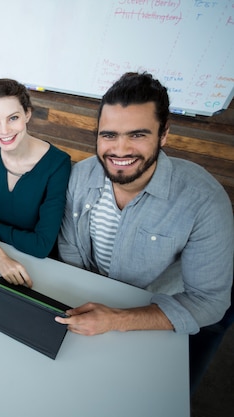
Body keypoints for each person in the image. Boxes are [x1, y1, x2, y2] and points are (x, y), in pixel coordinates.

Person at [57, 72, 233, 338]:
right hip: (86, 311)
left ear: (163, 134)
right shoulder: (80, 175)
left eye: (137, 135)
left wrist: (116, 319)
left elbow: (209, 302)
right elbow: (70, 250)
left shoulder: (204, 200)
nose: (120, 149)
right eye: (109, 135)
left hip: (150, 316)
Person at [0, 79, 71, 287]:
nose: (4, 131)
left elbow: (41, 245)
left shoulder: (57, 164)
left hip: (29, 266)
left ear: (27, 113)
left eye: (13, 118)